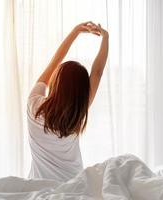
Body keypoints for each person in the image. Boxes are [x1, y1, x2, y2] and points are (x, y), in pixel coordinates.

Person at [27, 22, 109, 181]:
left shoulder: (33, 106)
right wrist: (105, 36)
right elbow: (97, 72)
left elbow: (53, 63)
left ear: (55, 81)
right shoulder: (78, 112)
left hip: (38, 185)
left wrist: (75, 32)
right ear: (82, 92)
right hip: (74, 185)